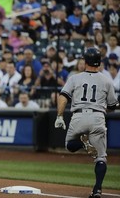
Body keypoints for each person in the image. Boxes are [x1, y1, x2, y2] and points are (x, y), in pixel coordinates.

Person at [54, 47, 119, 198]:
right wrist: (102, 108)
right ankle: (97, 190)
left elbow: (63, 96)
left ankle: (84, 144)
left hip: (78, 116)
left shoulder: (74, 78)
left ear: (85, 61)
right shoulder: (106, 80)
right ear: (99, 62)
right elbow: (111, 107)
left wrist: (59, 116)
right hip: (97, 117)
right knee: (101, 158)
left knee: (69, 145)